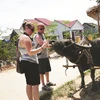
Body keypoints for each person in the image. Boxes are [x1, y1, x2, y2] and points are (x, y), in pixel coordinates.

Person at [18, 21, 48, 100]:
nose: (33, 31)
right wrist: (42, 47)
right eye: (32, 29)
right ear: (26, 28)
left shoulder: (20, 37)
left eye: (34, 29)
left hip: (25, 62)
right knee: (35, 85)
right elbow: (30, 52)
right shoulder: (26, 38)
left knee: (29, 83)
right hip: (31, 63)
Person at [33, 23, 56, 91]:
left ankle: (48, 82)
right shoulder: (37, 36)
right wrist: (49, 44)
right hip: (40, 57)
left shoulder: (42, 35)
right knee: (41, 72)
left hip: (45, 56)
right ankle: (43, 85)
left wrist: (48, 44)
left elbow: (46, 44)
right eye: (41, 28)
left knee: (47, 70)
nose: (43, 30)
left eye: (43, 28)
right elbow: (43, 44)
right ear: (37, 29)